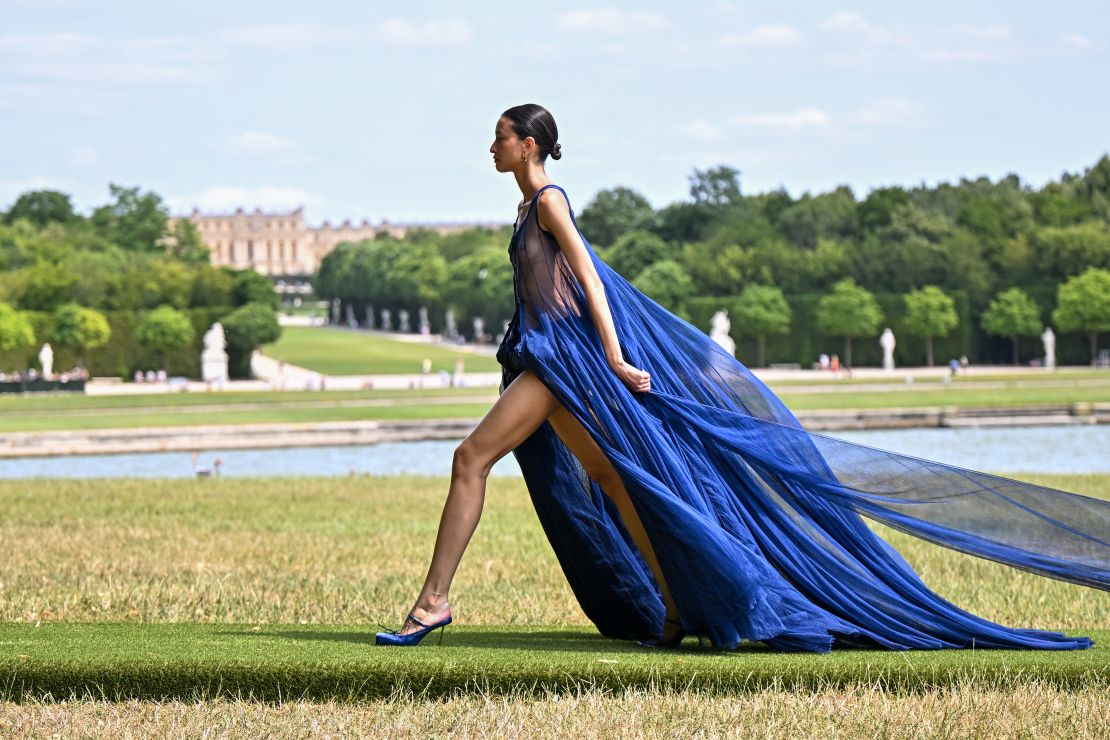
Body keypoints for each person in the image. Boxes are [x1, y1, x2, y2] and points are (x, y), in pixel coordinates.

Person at [376, 104, 1107, 652]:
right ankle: (669, 606)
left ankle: (434, 602)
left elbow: (592, 283)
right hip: (551, 359)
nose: (492, 145)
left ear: (528, 144)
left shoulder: (550, 201)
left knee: (471, 458)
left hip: (563, 362)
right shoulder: (527, 205)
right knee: (614, 481)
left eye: (501, 135)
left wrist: (615, 353)